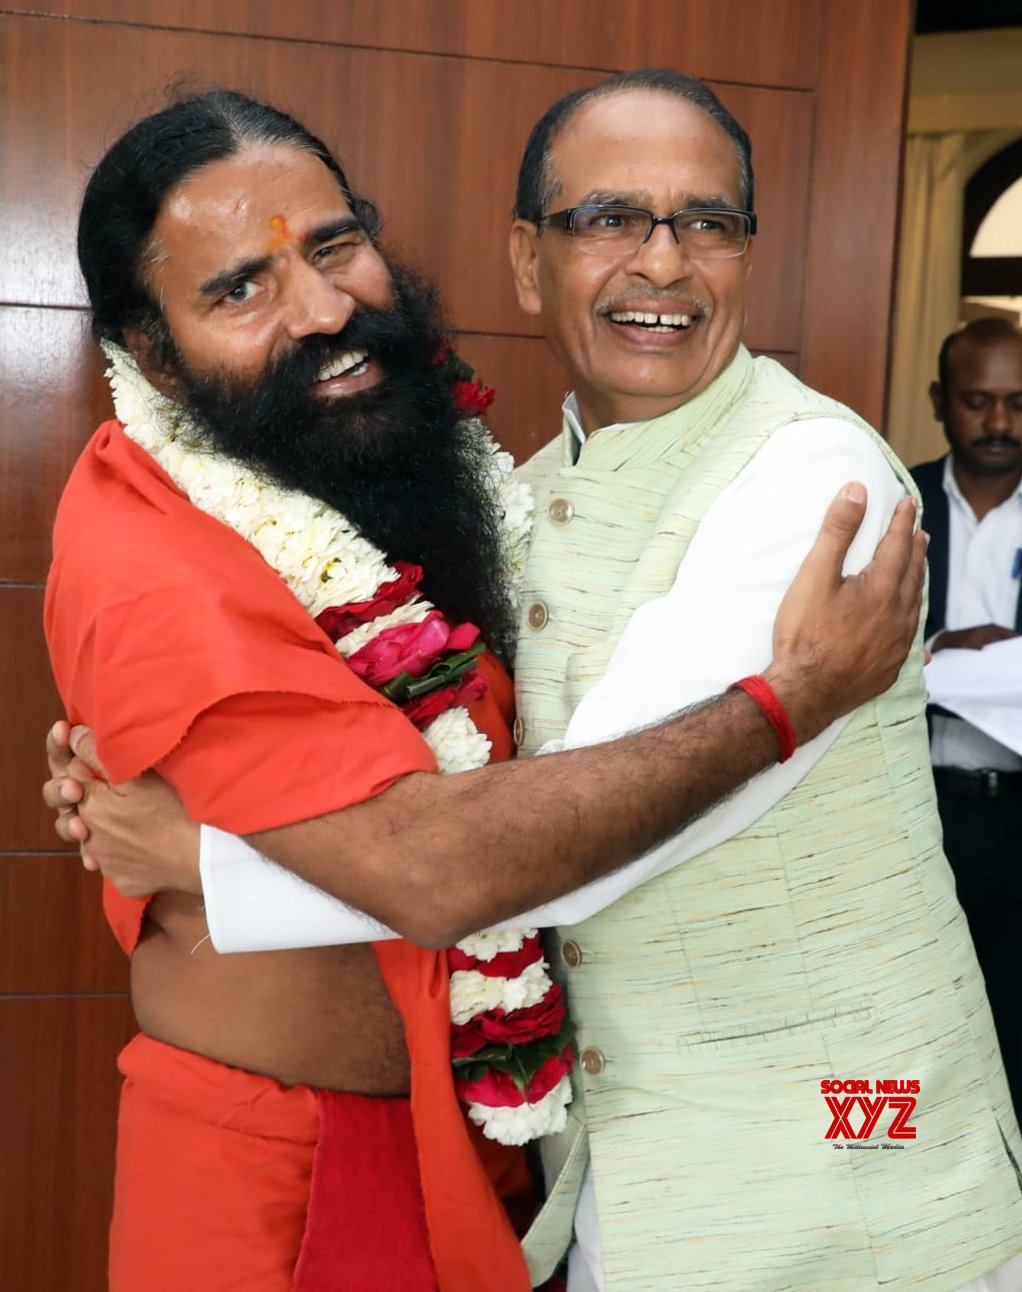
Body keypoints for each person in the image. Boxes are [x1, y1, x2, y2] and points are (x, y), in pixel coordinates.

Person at [40, 87, 926, 1292]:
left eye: (332, 246)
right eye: (237, 288)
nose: (319, 308)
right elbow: (444, 855)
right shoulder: (157, 549)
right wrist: (789, 696)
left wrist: (206, 859)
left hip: (797, 1155)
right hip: (286, 1177)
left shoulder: (785, 481)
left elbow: (501, 825)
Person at [911, 317, 1022, 1125]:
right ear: (940, 404)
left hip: (1018, 818)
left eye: (1020, 403)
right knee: (914, 1015)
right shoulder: (895, 500)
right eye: (979, 402)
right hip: (912, 808)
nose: (1000, 424)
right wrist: (943, 645)